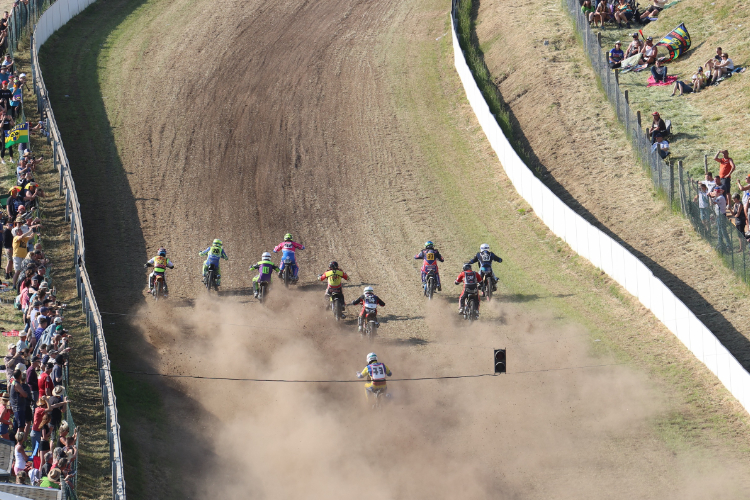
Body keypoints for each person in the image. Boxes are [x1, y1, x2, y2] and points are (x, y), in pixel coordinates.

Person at [710, 185, 730, 252]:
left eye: (715, 192)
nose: (714, 193)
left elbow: (713, 202)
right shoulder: (719, 197)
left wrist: (710, 197)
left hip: (721, 216)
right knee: (720, 230)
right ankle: (721, 243)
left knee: (723, 230)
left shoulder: (720, 197)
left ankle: (728, 245)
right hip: (719, 216)